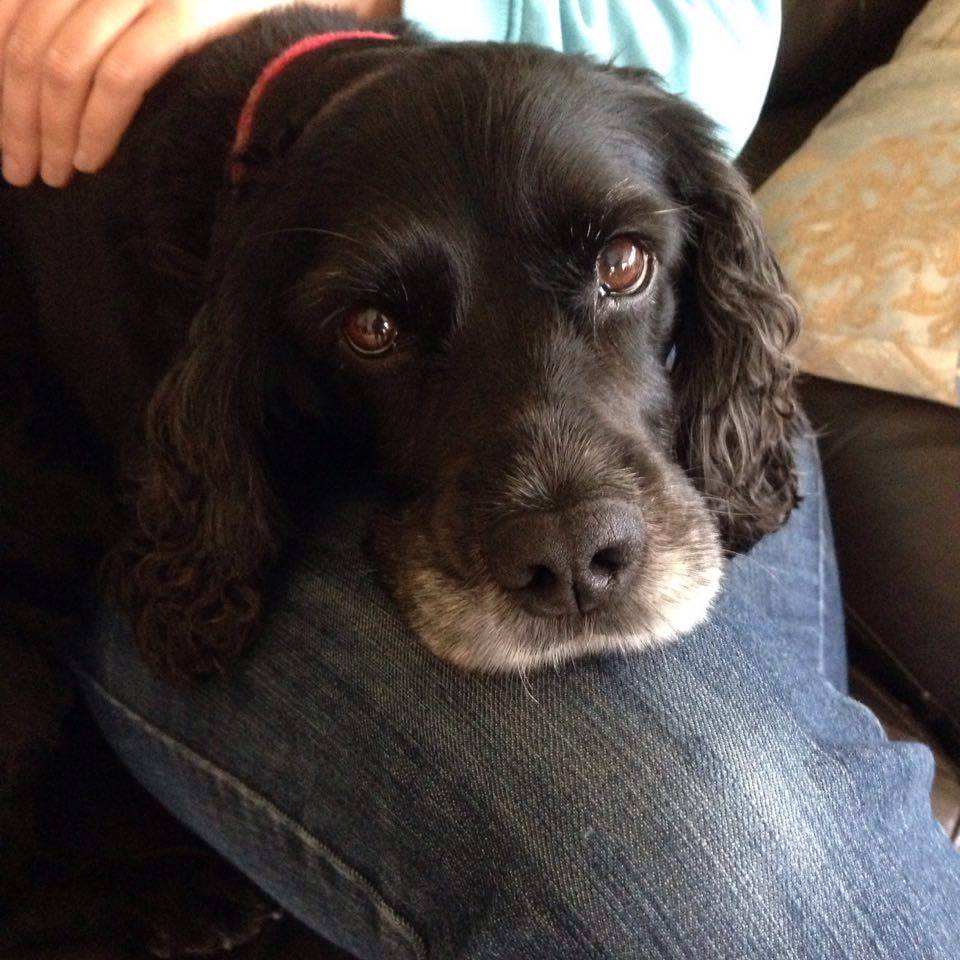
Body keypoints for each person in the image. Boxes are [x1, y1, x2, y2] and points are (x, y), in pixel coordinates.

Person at [3, 2, 959, 957]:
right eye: (378, 330)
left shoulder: (687, 251)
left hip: (512, 107)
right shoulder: (215, 339)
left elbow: (709, 34)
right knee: (725, 871)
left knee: (805, 864)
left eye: (621, 265)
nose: (571, 535)